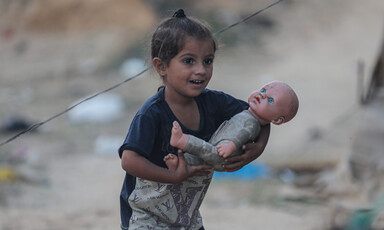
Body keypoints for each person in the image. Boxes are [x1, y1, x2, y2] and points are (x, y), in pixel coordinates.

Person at [118, 9, 270, 230]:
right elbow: (129, 161)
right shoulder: (151, 114)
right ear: (161, 66)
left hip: (185, 214)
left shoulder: (215, 103)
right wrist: (173, 176)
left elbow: (260, 114)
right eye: (188, 61)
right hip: (145, 215)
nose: (201, 70)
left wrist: (259, 147)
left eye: (207, 61)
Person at [164, 81, 299, 171]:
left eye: (270, 100)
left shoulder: (253, 123)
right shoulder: (244, 110)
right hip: (220, 147)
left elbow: (243, 134)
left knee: (204, 150)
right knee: (201, 159)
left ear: (276, 120)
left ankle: (183, 141)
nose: (262, 95)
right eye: (263, 90)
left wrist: (232, 145)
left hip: (224, 154)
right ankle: (178, 164)